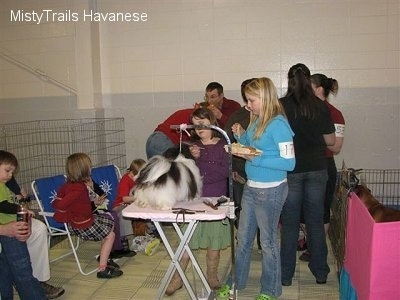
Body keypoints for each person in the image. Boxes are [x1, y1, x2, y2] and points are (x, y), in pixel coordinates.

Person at [217, 77, 296, 300]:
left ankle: (269, 290)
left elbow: (289, 163)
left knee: (269, 243)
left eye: (251, 100)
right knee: (243, 240)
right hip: (252, 188)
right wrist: (240, 135)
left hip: (271, 190)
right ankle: (236, 284)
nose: (247, 105)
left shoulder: (279, 125)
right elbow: (252, 144)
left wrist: (254, 158)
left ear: (264, 98)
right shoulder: (256, 119)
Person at [279, 63, 336, 286]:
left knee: (290, 223)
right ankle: (320, 272)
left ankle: (286, 276)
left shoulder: (281, 106)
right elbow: (331, 141)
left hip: (291, 169)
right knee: (315, 221)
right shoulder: (320, 106)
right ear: (308, 79)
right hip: (317, 168)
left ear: (289, 80)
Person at [165, 107, 231, 295]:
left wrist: (201, 168)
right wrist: (193, 159)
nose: (199, 128)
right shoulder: (189, 147)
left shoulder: (223, 145)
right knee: (185, 244)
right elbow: (183, 174)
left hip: (216, 201)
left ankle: (212, 276)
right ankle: (177, 279)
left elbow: (225, 172)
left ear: (213, 123)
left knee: (214, 247)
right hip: (193, 202)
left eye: (203, 124)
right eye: (195, 125)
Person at [0, 150, 65, 299]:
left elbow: (10, 198)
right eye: (8, 171)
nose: (10, 175)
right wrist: (19, 210)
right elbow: (2, 205)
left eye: (12, 172)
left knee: (38, 230)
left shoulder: (4, 184)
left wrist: (20, 196)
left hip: (11, 226)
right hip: (9, 229)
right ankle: (31, 288)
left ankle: (38, 281)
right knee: (21, 270)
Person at [52, 153, 123, 279]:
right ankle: (102, 269)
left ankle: (104, 258)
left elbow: (62, 202)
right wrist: (89, 206)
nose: (91, 169)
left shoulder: (68, 185)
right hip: (83, 224)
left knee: (109, 224)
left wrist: (93, 203)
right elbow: (61, 205)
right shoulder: (79, 188)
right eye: (90, 167)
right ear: (84, 170)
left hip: (79, 222)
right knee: (110, 235)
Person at [298, 73, 346, 262]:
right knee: (301, 208)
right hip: (302, 165)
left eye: (308, 87)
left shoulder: (334, 114)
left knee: (321, 210)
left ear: (319, 89)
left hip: (323, 166)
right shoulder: (303, 111)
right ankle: (309, 241)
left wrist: (311, 140)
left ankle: (316, 248)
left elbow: (336, 146)